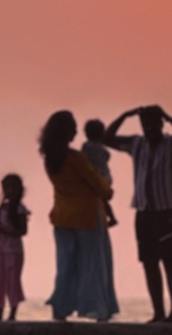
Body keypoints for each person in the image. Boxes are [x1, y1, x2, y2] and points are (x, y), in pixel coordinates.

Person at [104, 104, 172, 323]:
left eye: (154, 124)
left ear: (161, 124)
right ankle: (158, 313)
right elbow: (107, 138)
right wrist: (125, 115)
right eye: (146, 124)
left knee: (170, 260)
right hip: (144, 209)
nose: (150, 128)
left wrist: (168, 115)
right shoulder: (137, 144)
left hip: (168, 208)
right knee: (149, 262)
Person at [39, 110, 119, 322]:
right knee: (94, 264)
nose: (76, 131)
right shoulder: (76, 159)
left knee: (66, 265)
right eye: (73, 128)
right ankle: (98, 309)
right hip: (87, 216)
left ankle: (61, 308)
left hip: (62, 216)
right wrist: (108, 188)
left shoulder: (50, 160)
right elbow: (98, 184)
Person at [0, 174, 29, 321]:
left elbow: (23, 231)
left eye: (13, 188)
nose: (10, 191)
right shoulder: (2, 208)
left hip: (14, 251)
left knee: (12, 281)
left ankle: (12, 314)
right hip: (0, 250)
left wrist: (6, 232)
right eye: (7, 188)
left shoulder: (20, 209)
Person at [81, 119, 118, 227]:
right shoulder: (103, 149)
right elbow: (107, 157)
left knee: (99, 200)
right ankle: (111, 217)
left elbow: (82, 159)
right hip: (106, 177)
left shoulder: (87, 146)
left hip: (96, 176)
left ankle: (109, 218)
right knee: (103, 200)